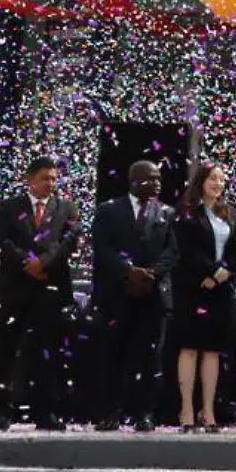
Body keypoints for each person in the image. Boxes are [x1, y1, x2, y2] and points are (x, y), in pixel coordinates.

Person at [0, 156, 81, 432]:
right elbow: (2, 240)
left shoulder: (67, 207)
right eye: (44, 178)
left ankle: (45, 411)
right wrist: (27, 263)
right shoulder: (10, 207)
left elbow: (69, 241)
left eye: (53, 178)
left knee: (47, 351)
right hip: (14, 287)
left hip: (50, 288)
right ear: (30, 179)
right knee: (4, 350)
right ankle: (0, 411)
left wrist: (44, 262)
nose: (50, 183)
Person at [90, 160, 179, 432]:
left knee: (150, 357)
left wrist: (150, 273)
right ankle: (111, 412)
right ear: (133, 181)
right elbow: (103, 247)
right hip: (118, 293)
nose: (156, 183)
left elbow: (173, 251)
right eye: (149, 178)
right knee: (114, 355)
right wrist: (129, 272)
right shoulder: (108, 210)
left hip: (152, 294)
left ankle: (145, 413)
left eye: (158, 179)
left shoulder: (167, 213)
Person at [169, 163, 236, 433]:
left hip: (220, 290)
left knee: (213, 350)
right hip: (192, 287)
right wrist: (212, 271)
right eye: (213, 178)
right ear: (201, 181)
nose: (218, 184)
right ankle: (187, 409)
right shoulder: (187, 212)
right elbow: (186, 250)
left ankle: (209, 410)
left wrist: (225, 273)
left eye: (222, 180)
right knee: (190, 347)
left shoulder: (229, 213)